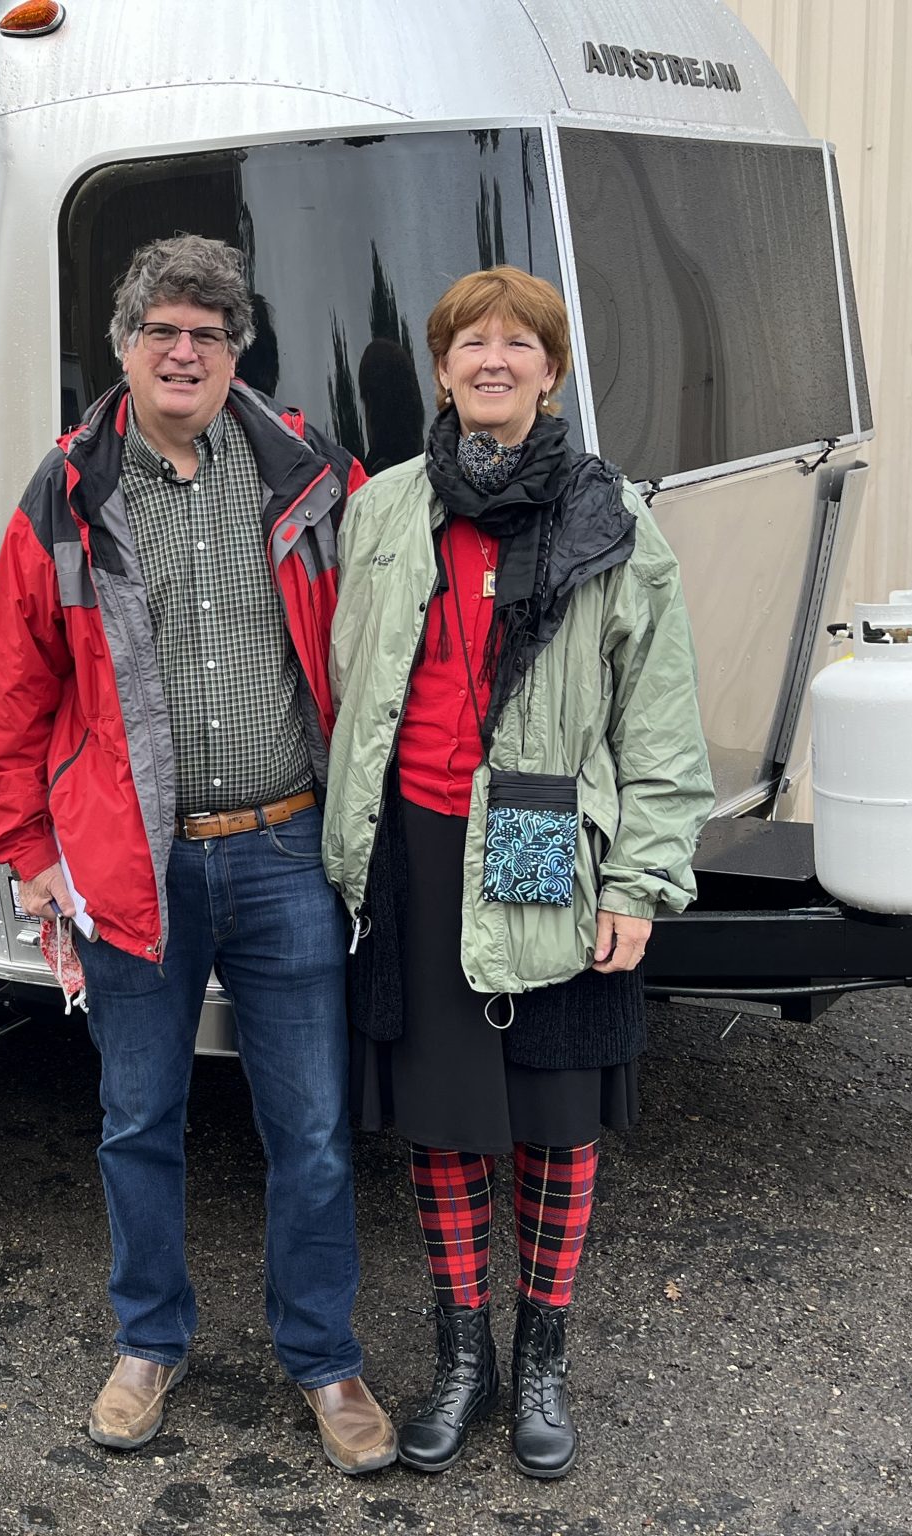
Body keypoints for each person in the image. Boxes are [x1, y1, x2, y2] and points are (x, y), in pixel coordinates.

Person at [0, 236, 394, 1474]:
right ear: (123, 347)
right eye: (161, 329)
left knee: (311, 1130)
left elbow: (396, 602)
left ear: (235, 351)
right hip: (132, 867)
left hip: (284, 847)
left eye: (207, 333)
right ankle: (148, 1343)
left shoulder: (309, 471)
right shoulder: (67, 493)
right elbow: (9, 690)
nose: (182, 351)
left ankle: (323, 1359)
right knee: (138, 1117)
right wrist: (27, 850)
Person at [321, 266, 712, 1480]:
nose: (491, 359)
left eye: (517, 343)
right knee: (442, 1125)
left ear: (550, 370)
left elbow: (658, 717)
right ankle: (461, 1362)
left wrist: (639, 882)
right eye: (468, 343)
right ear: (440, 370)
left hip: (546, 838)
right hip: (416, 847)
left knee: (554, 1119)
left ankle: (539, 1361)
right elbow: (346, 679)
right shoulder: (383, 508)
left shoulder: (609, 518)